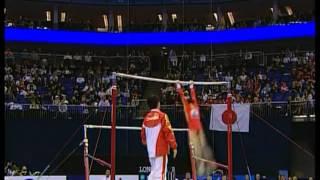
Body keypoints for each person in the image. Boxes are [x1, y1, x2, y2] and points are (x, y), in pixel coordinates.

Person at [176, 81, 216, 176]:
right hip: (192, 131)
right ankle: (200, 169)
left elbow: (193, 94)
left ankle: (211, 166)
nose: (187, 96)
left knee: (204, 146)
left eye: (187, 95)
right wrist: (178, 86)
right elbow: (182, 96)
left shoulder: (195, 104)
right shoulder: (186, 106)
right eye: (186, 96)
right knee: (197, 151)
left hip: (199, 128)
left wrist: (191, 86)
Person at [141, 95, 178, 180]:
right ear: (158, 104)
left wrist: (149, 143)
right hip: (160, 151)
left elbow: (143, 136)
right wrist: (174, 146)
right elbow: (168, 132)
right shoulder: (162, 116)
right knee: (160, 175)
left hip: (151, 151)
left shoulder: (146, 118)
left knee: (154, 173)